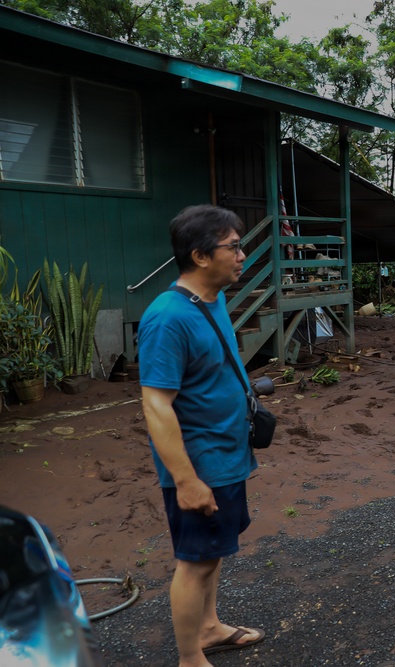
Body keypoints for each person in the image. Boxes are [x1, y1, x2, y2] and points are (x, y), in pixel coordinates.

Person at [139, 205, 266, 667]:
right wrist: (187, 480)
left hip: (225, 457)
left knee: (211, 555)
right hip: (199, 465)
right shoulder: (167, 318)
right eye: (233, 246)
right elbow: (156, 404)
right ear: (199, 255)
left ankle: (209, 627)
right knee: (194, 562)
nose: (242, 255)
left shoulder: (210, 301)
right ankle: (190, 658)